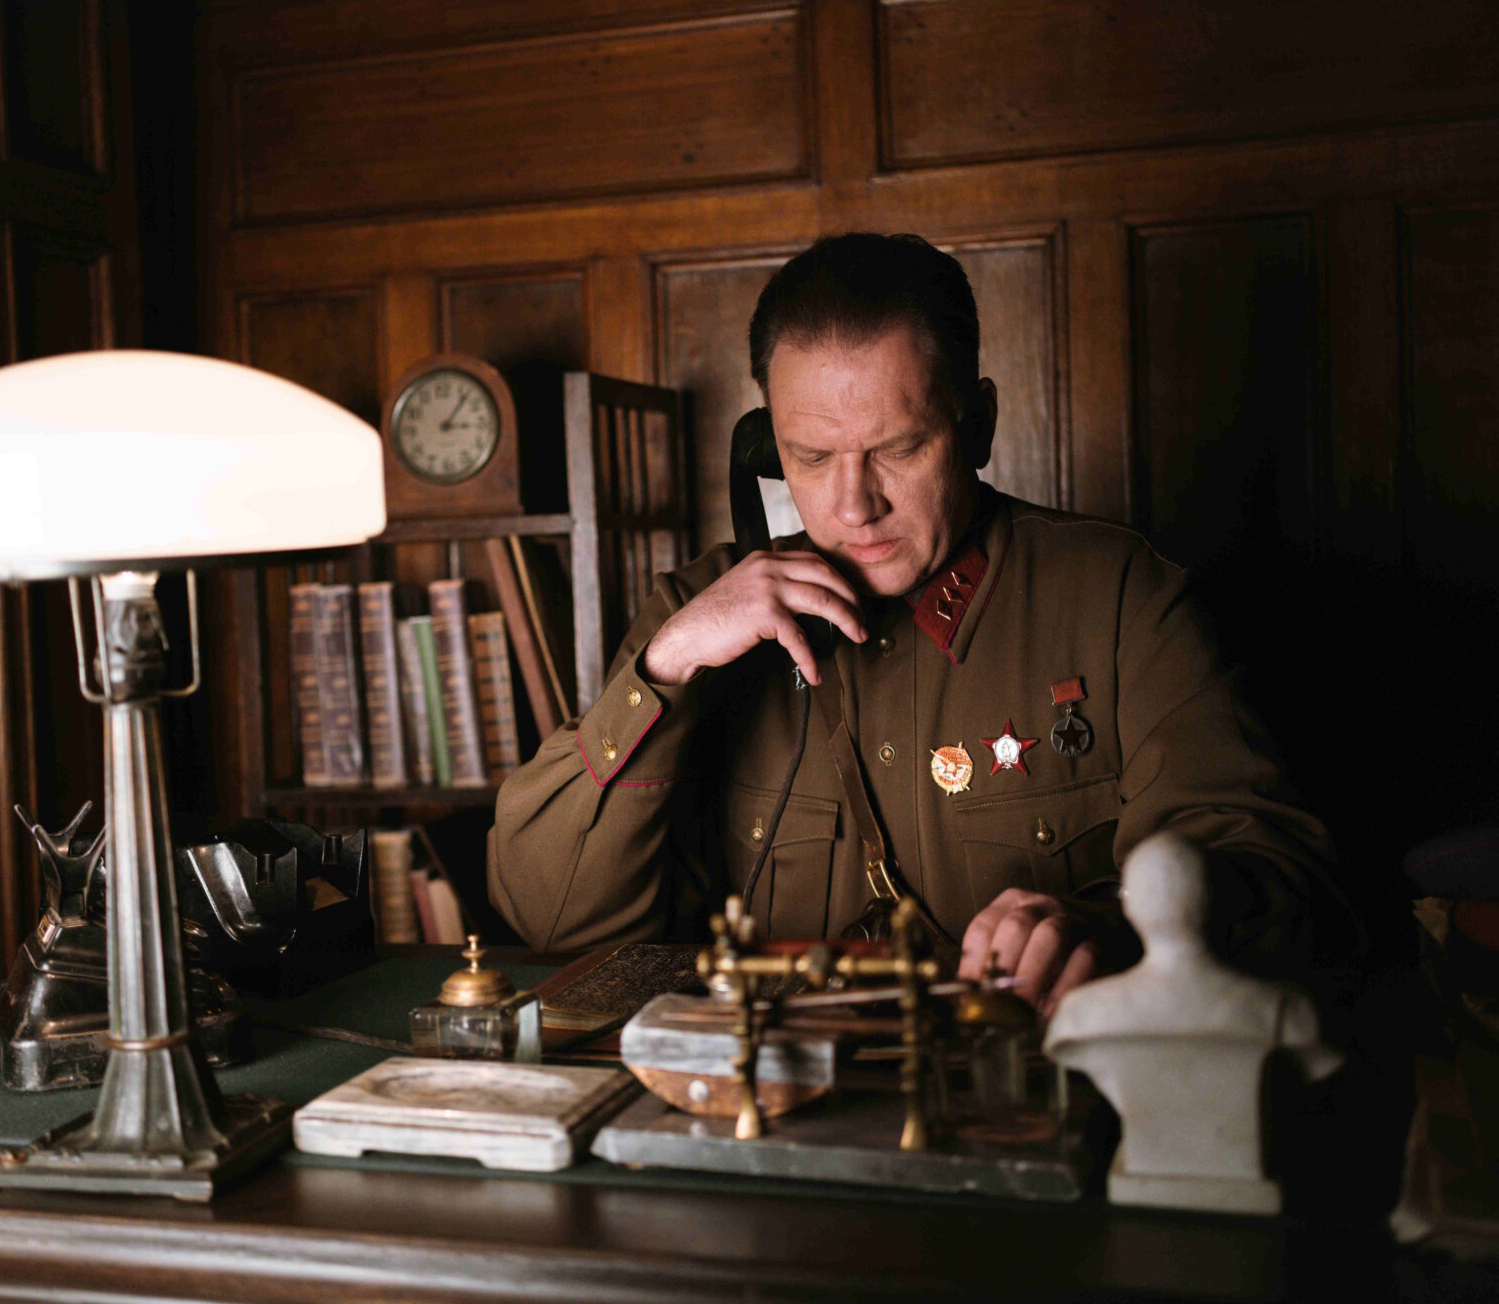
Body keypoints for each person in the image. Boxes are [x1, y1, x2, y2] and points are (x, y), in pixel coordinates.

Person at [487, 233, 1352, 1011]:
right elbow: (550, 918)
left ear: (978, 425)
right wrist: (666, 666)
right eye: (811, 457)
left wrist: (1113, 927)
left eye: (899, 448)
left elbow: (1279, 874)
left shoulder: (1121, 599)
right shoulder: (697, 616)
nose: (853, 505)